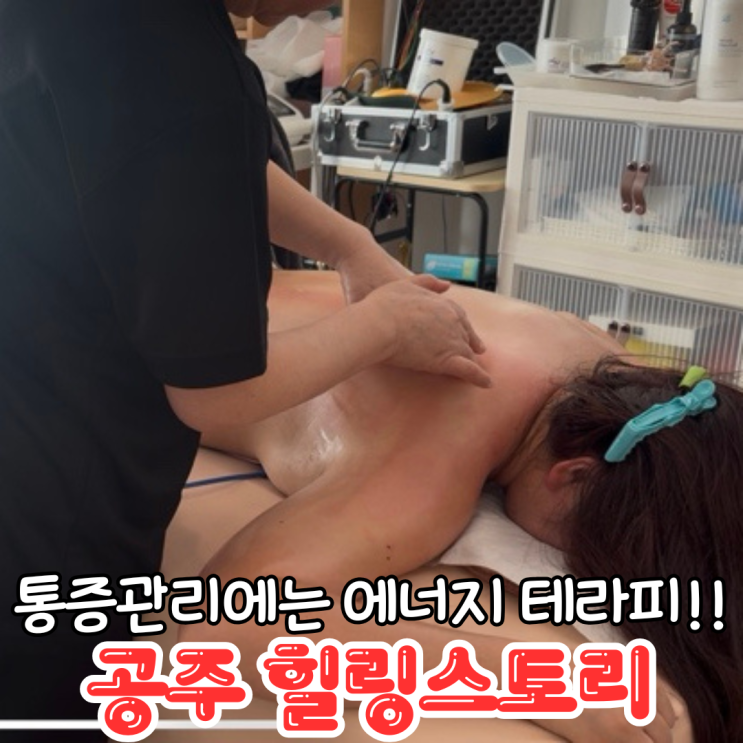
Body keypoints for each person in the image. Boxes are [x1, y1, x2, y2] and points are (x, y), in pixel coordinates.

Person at [0, 1, 489, 737]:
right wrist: (386, 325)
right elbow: (218, 395)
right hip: (44, 525)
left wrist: (349, 244)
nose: (323, 7)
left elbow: (174, 160)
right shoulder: (174, 64)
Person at [180, 269, 743, 743]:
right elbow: (225, 628)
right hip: (153, 361)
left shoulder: (610, 364)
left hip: (207, 287)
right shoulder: (431, 465)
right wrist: (533, 678)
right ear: (572, 474)